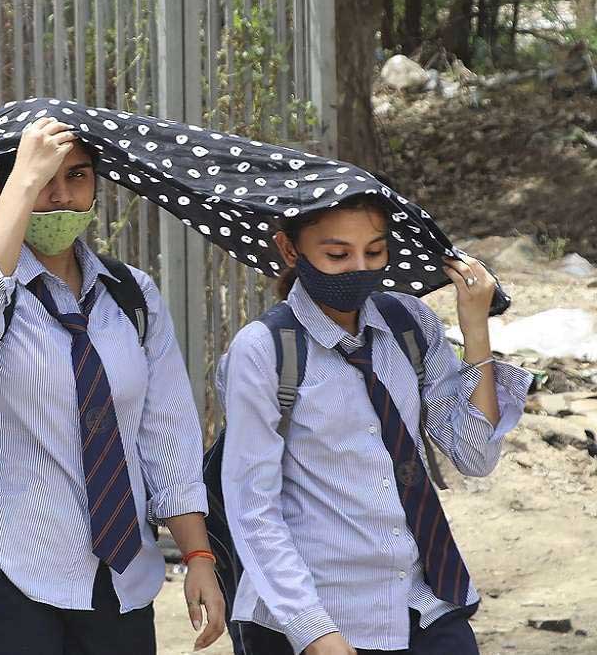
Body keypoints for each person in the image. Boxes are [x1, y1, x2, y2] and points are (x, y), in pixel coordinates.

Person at [0, 116, 226, 654]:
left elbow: (167, 433)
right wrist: (23, 181)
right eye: (44, 179)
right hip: (5, 570)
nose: (61, 196)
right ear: (2, 184)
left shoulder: (131, 295)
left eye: (78, 176)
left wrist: (199, 555)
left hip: (119, 582)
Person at [218, 197, 531, 654]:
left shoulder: (409, 323)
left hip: (424, 603)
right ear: (290, 250)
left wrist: (475, 330)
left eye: (376, 252)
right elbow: (252, 506)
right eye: (338, 255)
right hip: (319, 615)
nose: (360, 269)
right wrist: (313, 630)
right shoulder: (264, 350)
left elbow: (475, 454)